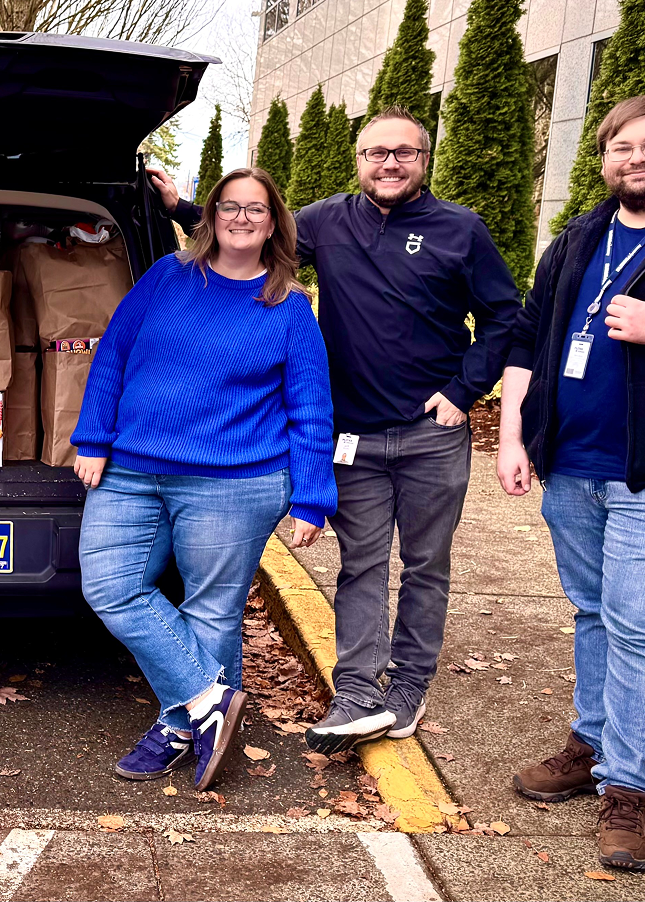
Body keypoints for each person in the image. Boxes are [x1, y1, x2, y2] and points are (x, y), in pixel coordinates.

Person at [153, 105, 522, 752]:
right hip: (353, 434)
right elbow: (253, 237)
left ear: (423, 160)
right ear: (360, 161)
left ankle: (407, 688)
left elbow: (503, 316)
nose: (388, 163)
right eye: (376, 153)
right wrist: (186, 207)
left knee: (427, 565)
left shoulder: (461, 230)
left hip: (432, 434)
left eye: (402, 153)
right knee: (362, 565)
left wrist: (464, 392)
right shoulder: (329, 220)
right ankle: (357, 692)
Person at [73, 166, 336, 791]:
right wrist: (91, 436)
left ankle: (178, 727)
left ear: (275, 225)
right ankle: (210, 701)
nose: (241, 217)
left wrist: (312, 497)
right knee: (109, 587)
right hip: (132, 468)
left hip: (235, 481)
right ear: (211, 216)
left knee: (211, 610)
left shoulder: (290, 308)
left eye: (257, 209)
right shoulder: (167, 277)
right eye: (230, 206)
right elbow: (114, 352)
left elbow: (311, 409)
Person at [496, 95, 645, 873]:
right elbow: (527, 337)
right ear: (604, 158)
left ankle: (628, 791)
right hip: (570, 466)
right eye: (622, 148)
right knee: (592, 613)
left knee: (641, 628)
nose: (636, 159)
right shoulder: (579, 237)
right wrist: (514, 435)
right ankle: (594, 740)